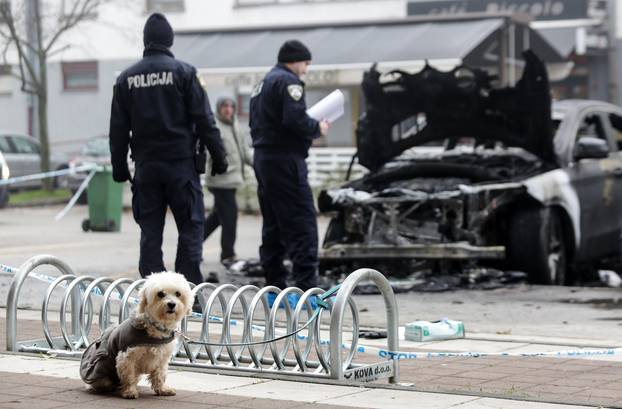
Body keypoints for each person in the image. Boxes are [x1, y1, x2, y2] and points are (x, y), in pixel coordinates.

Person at [109, 13, 228, 286]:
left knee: (150, 232)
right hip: (181, 167)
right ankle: (185, 293)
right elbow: (205, 121)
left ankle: (154, 294)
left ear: (146, 40)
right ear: (169, 40)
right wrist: (219, 158)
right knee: (190, 229)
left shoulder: (126, 79)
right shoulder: (185, 73)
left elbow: (117, 129)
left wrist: (119, 168)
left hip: (146, 168)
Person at [249, 39, 330, 295]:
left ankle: (274, 288)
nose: (305, 69)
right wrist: (317, 128)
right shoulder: (288, 81)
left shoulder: (262, 84)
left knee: (273, 224)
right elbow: (294, 119)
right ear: (295, 60)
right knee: (302, 222)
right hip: (285, 161)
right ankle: (308, 290)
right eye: (306, 63)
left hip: (264, 159)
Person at [203, 96, 253, 267]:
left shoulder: (235, 125)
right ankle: (228, 255)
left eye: (231, 106)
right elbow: (208, 153)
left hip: (232, 180)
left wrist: (260, 165)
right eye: (224, 106)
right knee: (230, 217)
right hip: (220, 181)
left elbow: (245, 152)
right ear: (218, 108)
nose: (228, 109)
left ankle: (192, 246)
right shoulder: (215, 126)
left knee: (217, 218)